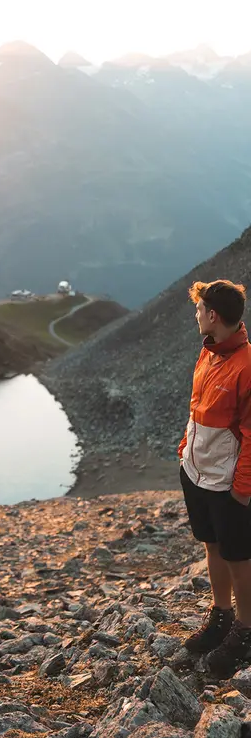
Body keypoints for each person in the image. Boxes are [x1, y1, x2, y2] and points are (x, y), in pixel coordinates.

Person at [179, 279, 251, 678]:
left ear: (213, 316)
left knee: (240, 557)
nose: (195, 315)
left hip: (227, 484)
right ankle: (222, 615)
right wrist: (184, 448)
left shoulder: (246, 365)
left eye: (199, 309)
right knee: (213, 546)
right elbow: (197, 408)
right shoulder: (208, 352)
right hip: (197, 473)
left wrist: (242, 489)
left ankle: (246, 630)